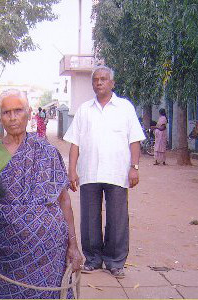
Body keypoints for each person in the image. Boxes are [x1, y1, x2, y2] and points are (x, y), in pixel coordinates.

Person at [0, 89, 83, 299]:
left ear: (29, 113)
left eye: (18, 111)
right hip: (10, 248)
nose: (12, 118)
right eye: (6, 112)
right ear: (0, 117)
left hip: (50, 248)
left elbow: (64, 200)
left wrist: (73, 245)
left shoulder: (46, 151)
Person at [63, 66, 145, 279]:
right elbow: (75, 143)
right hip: (89, 172)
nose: (99, 82)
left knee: (118, 219)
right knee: (89, 219)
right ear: (92, 84)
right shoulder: (84, 110)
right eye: (96, 80)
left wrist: (134, 167)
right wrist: (72, 170)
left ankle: (115, 262)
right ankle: (93, 259)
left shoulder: (125, 108)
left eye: (103, 79)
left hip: (117, 173)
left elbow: (134, 139)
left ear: (112, 83)